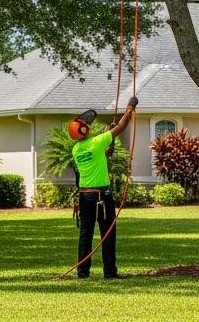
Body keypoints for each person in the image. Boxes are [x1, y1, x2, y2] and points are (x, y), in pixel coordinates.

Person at [70, 97, 138, 279]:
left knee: (86, 234)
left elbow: (107, 154)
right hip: (101, 195)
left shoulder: (77, 149)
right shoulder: (97, 142)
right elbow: (122, 126)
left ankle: (82, 272)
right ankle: (109, 272)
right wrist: (130, 108)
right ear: (84, 130)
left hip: (85, 197)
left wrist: (111, 139)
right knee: (108, 232)